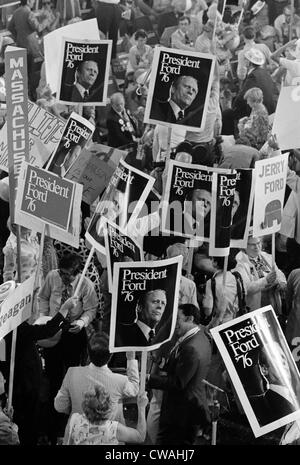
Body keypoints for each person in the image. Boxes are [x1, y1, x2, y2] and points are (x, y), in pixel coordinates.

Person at [37, 253, 98, 444]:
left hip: (74, 333)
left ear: (77, 273)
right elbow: (43, 297)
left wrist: (82, 322)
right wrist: (44, 316)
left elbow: (91, 309)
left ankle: (68, 419)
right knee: (52, 377)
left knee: (71, 374)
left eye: (67, 275)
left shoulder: (86, 285)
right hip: (53, 328)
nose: (63, 277)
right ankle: (50, 424)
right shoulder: (52, 277)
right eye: (61, 273)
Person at [1, 296, 78, 445]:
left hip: (14, 387)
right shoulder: (17, 329)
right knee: (27, 426)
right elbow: (48, 330)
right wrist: (64, 308)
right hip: (25, 388)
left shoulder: (6, 328)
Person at [147, 303, 211, 445]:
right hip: (187, 410)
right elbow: (186, 368)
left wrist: (149, 379)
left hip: (180, 415)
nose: (173, 323)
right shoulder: (201, 336)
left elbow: (178, 383)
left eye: (177, 319)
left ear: (190, 319)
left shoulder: (191, 348)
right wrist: (166, 364)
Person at [54, 332, 139, 430]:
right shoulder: (120, 381)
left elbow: (59, 406)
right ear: (111, 354)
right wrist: (131, 359)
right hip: (107, 437)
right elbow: (135, 389)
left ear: (88, 352)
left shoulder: (72, 372)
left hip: (77, 435)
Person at [63, 384, 148, 445]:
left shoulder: (74, 420)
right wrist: (141, 407)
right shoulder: (113, 429)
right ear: (108, 407)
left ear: (85, 405)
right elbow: (140, 437)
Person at [247, 342, 300, 426]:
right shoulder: (259, 405)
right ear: (264, 369)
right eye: (276, 357)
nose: (283, 361)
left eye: (283, 357)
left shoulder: (296, 396)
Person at [235, 233, 287, 315]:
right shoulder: (239, 263)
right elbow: (246, 288)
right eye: (252, 244)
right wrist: (265, 280)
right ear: (243, 246)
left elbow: (278, 272)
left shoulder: (266, 256)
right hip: (256, 306)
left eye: (258, 243)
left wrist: (282, 282)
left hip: (273, 301)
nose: (257, 247)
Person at [230, 48, 276, 126]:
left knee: (228, 115)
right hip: (271, 110)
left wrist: (234, 107)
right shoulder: (265, 73)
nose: (244, 61)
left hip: (261, 113)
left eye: (245, 59)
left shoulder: (253, 76)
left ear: (249, 62)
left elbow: (242, 97)